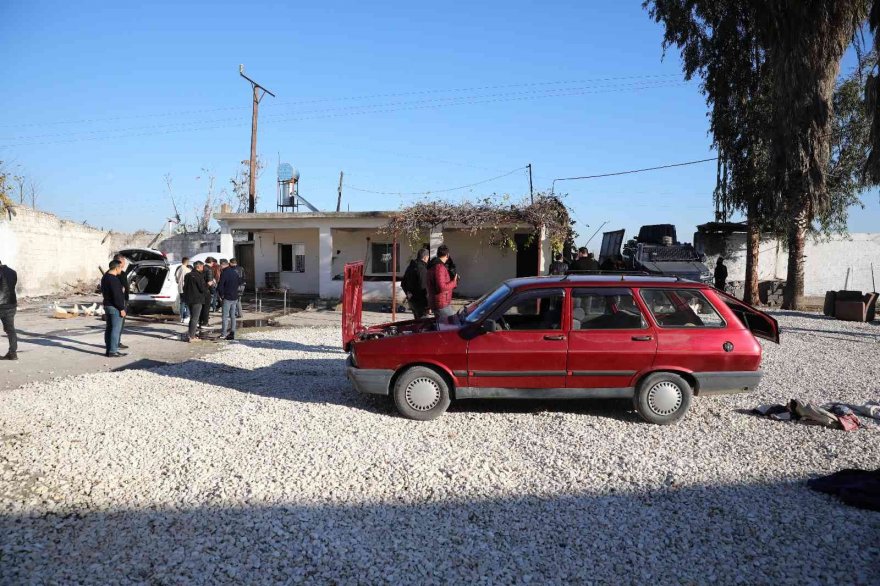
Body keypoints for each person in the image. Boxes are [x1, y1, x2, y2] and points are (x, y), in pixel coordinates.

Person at [101, 260, 127, 357]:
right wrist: (121, 309)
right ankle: (113, 351)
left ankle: (109, 350)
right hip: (114, 307)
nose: (121, 270)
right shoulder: (114, 279)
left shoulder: (105, 277)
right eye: (121, 268)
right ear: (117, 268)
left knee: (109, 328)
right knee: (115, 329)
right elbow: (116, 296)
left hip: (107, 305)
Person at [428, 244, 459, 320]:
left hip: (437, 302)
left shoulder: (433, 265)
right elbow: (441, 287)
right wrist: (454, 282)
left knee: (442, 324)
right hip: (441, 303)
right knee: (453, 322)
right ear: (447, 255)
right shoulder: (439, 267)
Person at [183, 261, 208, 342]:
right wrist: (207, 286)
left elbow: (184, 287)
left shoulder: (187, 275)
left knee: (192, 317)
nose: (203, 268)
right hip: (197, 299)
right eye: (202, 266)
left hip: (189, 298)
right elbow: (202, 288)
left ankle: (191, 334)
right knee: (195, 318)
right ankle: (191, 337)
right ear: (198, 267)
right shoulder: (198, 276)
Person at [402, 248, 430, 319]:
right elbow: (424, 287)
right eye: (428, 258)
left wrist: (408, 293)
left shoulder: (410, 267)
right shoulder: (422, 269)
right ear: (425, 257)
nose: (428, 260)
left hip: (412, 301)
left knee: (417, 321)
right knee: (423, 323)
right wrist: (428, 305)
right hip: (420, 302)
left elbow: (403, 283)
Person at [217, 260, 241, 340]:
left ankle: (223, 334)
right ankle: (232, 332)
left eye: (220, 266)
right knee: (233, 316)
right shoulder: (235, 272)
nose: (220, 267)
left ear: (222, 265)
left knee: (225, 316)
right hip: (235, 296)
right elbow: (239, 282)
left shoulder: (224, 273)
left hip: (227, 297)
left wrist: (221, 295)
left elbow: (220, 286)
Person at [0, 259, 18, 360]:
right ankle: (13, 353)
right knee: (11, 330)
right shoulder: (12, 272)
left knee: (10, 330)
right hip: (11, 304)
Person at [112, 253, 130, 350]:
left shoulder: (110, 274)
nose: (125, 263)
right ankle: (116, 343)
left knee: (115, 325)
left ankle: (114, 342)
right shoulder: (119, 274)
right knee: (118, 324)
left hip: (121, 300)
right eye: (123, 261)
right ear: (119, 262)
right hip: (120, 301)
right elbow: (121, 289)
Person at [200, 257, 216, 328]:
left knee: (202, 307)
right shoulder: (209, 269)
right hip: (207, 290)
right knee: (206, 307)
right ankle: (205, 323)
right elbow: (210, 282)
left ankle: (200, 322)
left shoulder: (202, 268)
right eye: (213, 263)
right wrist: (212, 291)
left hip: (201, 289)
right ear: (211, 262)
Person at [175, 257, 192, 324]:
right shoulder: (187, 270)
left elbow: (176, 279)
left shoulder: (179, 269)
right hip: (186, 288)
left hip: (180, 288)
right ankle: (186, 317)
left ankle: (181, 317)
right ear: (187, 262)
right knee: (187, 303)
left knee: (182, 303)